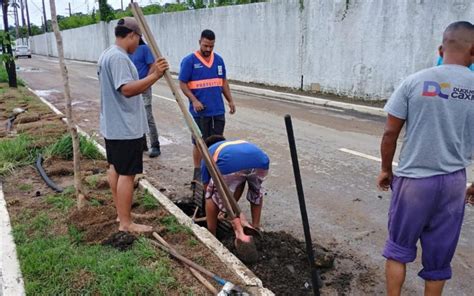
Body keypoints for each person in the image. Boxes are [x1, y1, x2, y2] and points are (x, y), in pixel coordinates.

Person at [377, 21, 474, 296]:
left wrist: (386, 170)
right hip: (454, 184)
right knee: (439, 259)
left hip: (414, 183)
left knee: (398, 249)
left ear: (441, 49)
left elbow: (389, 133)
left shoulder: (414, 81)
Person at [98, 17, 169, 233]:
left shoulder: (107, 54)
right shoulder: (119, 59)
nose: (139, 45)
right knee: (127, 174)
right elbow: (127, 89)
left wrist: (151, 74)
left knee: (116, 169)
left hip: (113, 125)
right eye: (138, 39)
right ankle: (126, 223)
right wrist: (155, 75)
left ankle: (123, 212)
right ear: (132, 35)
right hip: (125, 127)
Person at [179, 29, 236, 187]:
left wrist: (230, 100)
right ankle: (198, 173)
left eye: (211, 46)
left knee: (217, 142)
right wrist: (194, 100)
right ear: (199, 42)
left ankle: (214, 172)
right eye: (205, 45)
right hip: (199, 113)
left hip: (217, 110)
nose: (208, 49)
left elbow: (223, 82)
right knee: (199, 143)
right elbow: (182, 84)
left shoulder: (219, 61)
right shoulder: (189, 61)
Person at [201, 135, 270, 238]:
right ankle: (256, 225)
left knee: (210, 196)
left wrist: (215, 207)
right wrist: (225, 208)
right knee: (256, 192)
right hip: (261, 161)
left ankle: (212, 234)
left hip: (230, 163)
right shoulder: (233, 143)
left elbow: (206, 188)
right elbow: (239, 182)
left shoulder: (207, 152)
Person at [129, 38, 161, 158]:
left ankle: (155, 144)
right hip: (131, 87)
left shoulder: (144, 49)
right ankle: (142, 143)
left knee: (147, 115)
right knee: (135, 116)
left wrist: (145, 82)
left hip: (144, 87)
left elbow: (152, 66)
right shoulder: (125, 51)